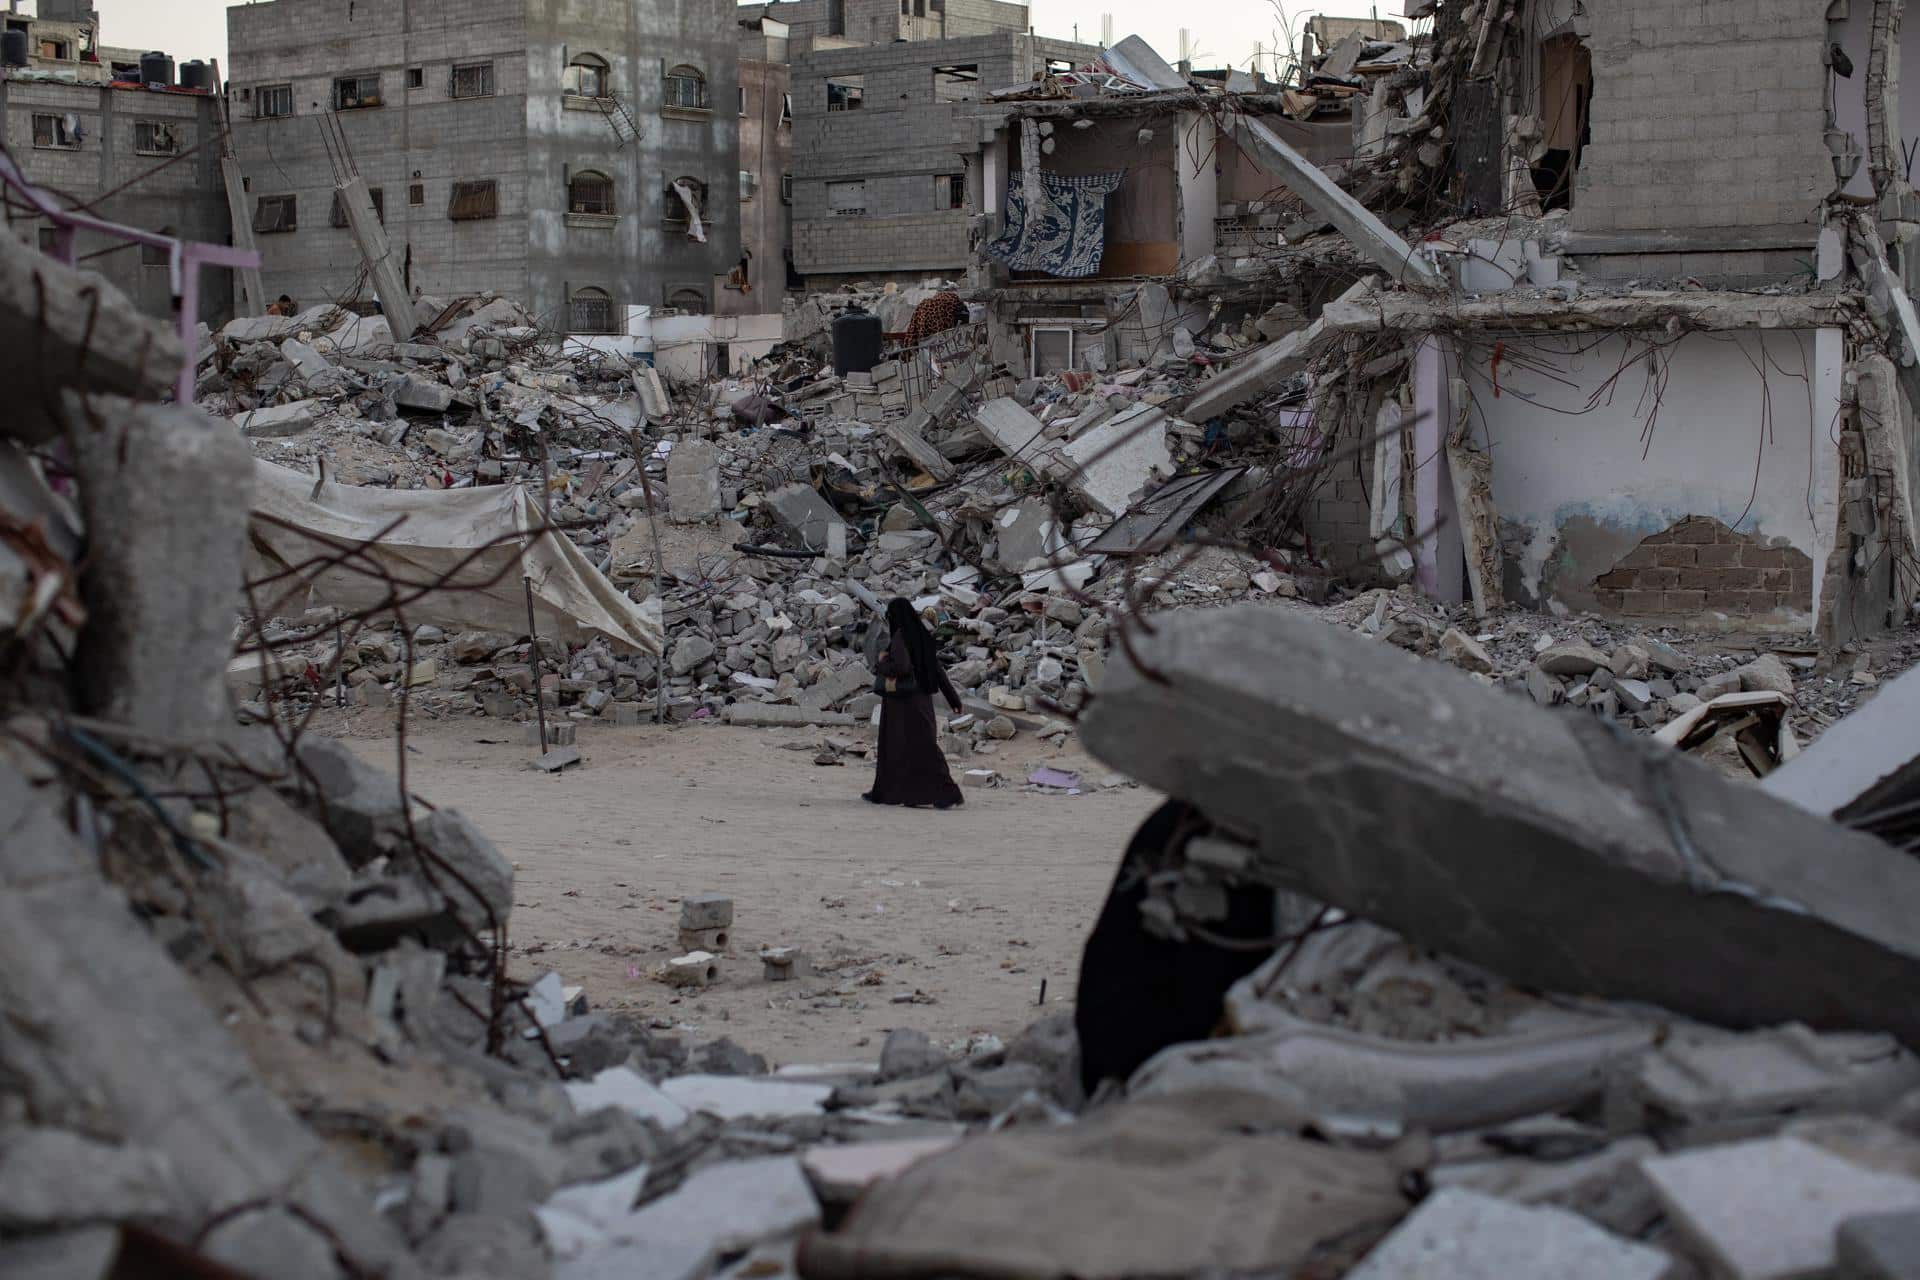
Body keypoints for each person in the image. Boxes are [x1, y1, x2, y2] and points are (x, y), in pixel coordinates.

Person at [865, 598, 965, 809]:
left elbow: (900, 667)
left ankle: (944, 792)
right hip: (921, 702)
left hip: (902, 705)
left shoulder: (900, 637)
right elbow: (937, 670)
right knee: (923, 747)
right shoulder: (921, 636)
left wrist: (882, 661)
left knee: (898, 748)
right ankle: (916, 793)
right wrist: (953, 698)